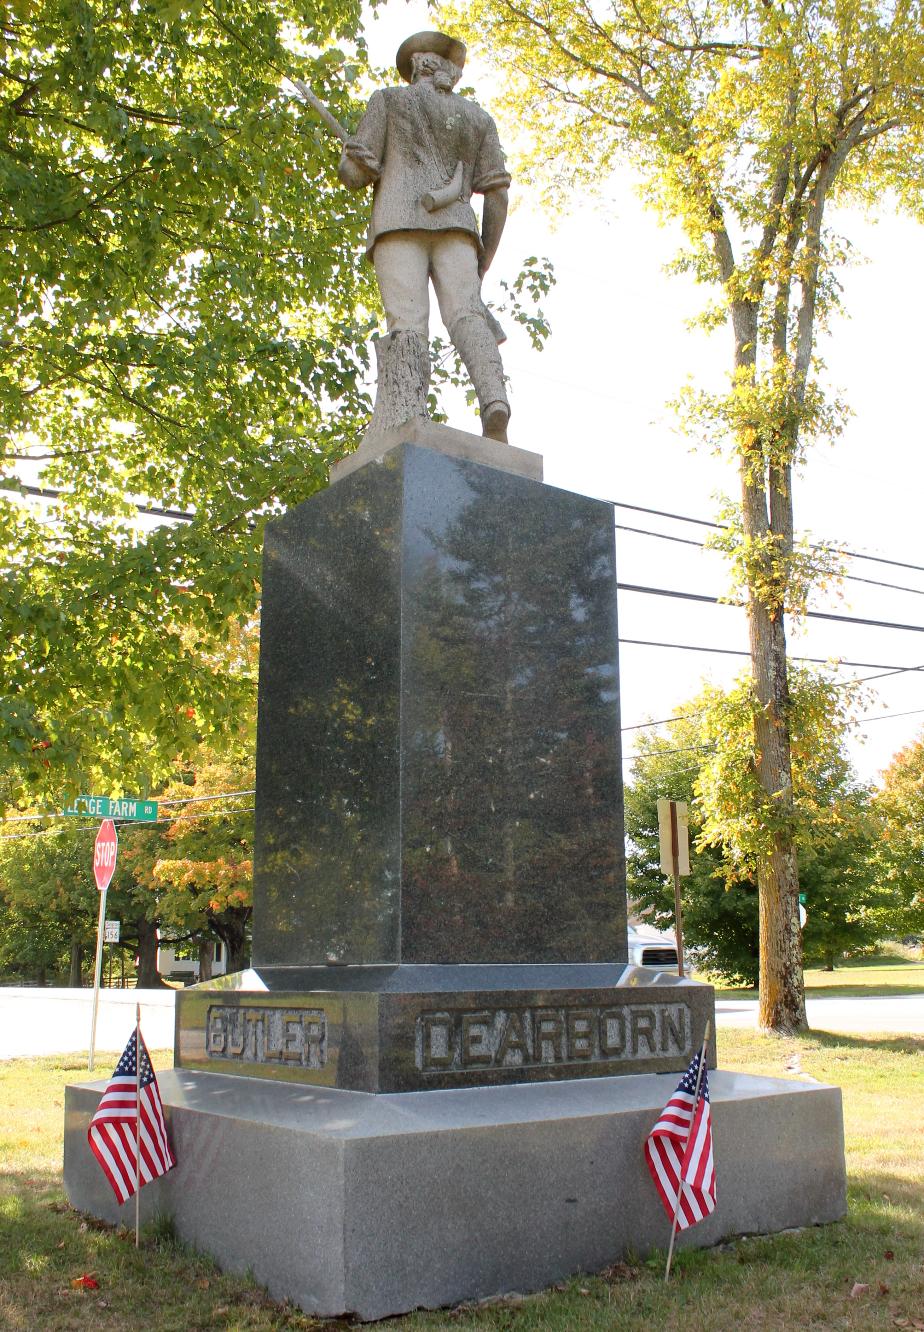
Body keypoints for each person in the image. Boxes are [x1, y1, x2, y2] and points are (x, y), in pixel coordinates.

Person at [338, 31, 512, 443]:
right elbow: (498, 196)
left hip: (397, 226)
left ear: (416, 65)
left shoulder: (388, 101)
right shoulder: (477, 118)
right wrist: (483, 256)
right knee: (467, 314)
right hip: (458, 232)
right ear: (447, 69)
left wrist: (352, 158)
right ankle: (494, 401)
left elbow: (353, 177)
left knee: (407, 323)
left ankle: (404, 417)